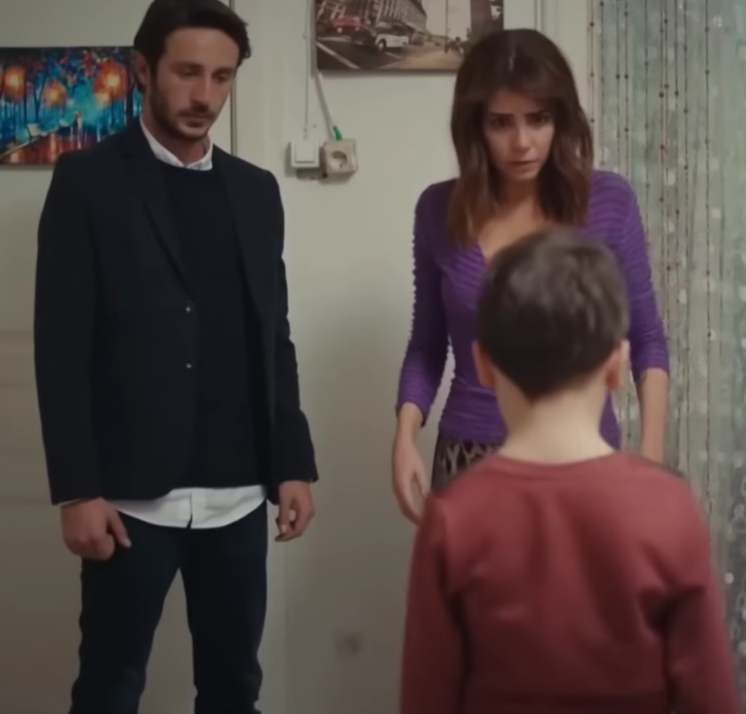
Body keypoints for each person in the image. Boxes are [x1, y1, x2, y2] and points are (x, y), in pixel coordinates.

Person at [33, 1, 317, 712]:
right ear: (142, 69)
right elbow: (60, 348)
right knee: (109, 688)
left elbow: (273, 335)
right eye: (188, 73)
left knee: (233, 688)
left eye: (221, 77)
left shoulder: (257, 191)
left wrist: (292, 463)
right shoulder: (87, 182)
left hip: (239, 497)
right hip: (130, 500)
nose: (205, 95)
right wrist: (77, 490)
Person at [400, 228, 739, 714]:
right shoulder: (669, 509)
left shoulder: (452, 518)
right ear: (616, 366)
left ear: (484, 365)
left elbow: (426, 700)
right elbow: (711, 699)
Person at [392, 29, 669, 522]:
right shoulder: (438, 210)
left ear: (560, 119)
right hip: (470, 458)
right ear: (475, 127)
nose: (522, 143)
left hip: (586, 458)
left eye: (538, 119)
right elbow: (427, 346)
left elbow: (646, 338)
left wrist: (648, 458)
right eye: (501, 123)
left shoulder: (608, 202)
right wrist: (404, 436)